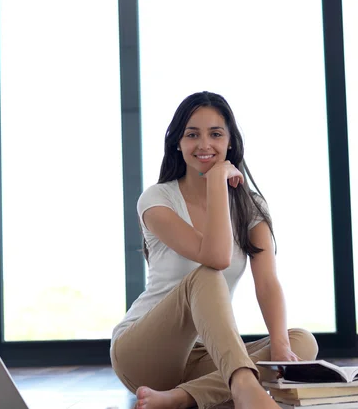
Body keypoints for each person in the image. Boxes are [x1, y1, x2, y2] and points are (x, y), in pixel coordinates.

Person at [110, 91, 318, 409]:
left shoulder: (252, 207)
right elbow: (216, 258)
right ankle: (244, 385)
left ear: (230, 142)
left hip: (206, 355)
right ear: (177, 143)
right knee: (206, 275)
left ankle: (181, 397)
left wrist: (279, 344)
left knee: (301, 341)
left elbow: (267, 283)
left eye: (216, 134)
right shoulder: (156, 200)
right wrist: (218, 180)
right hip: (143, 352)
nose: (204, 144)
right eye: (192, 134)